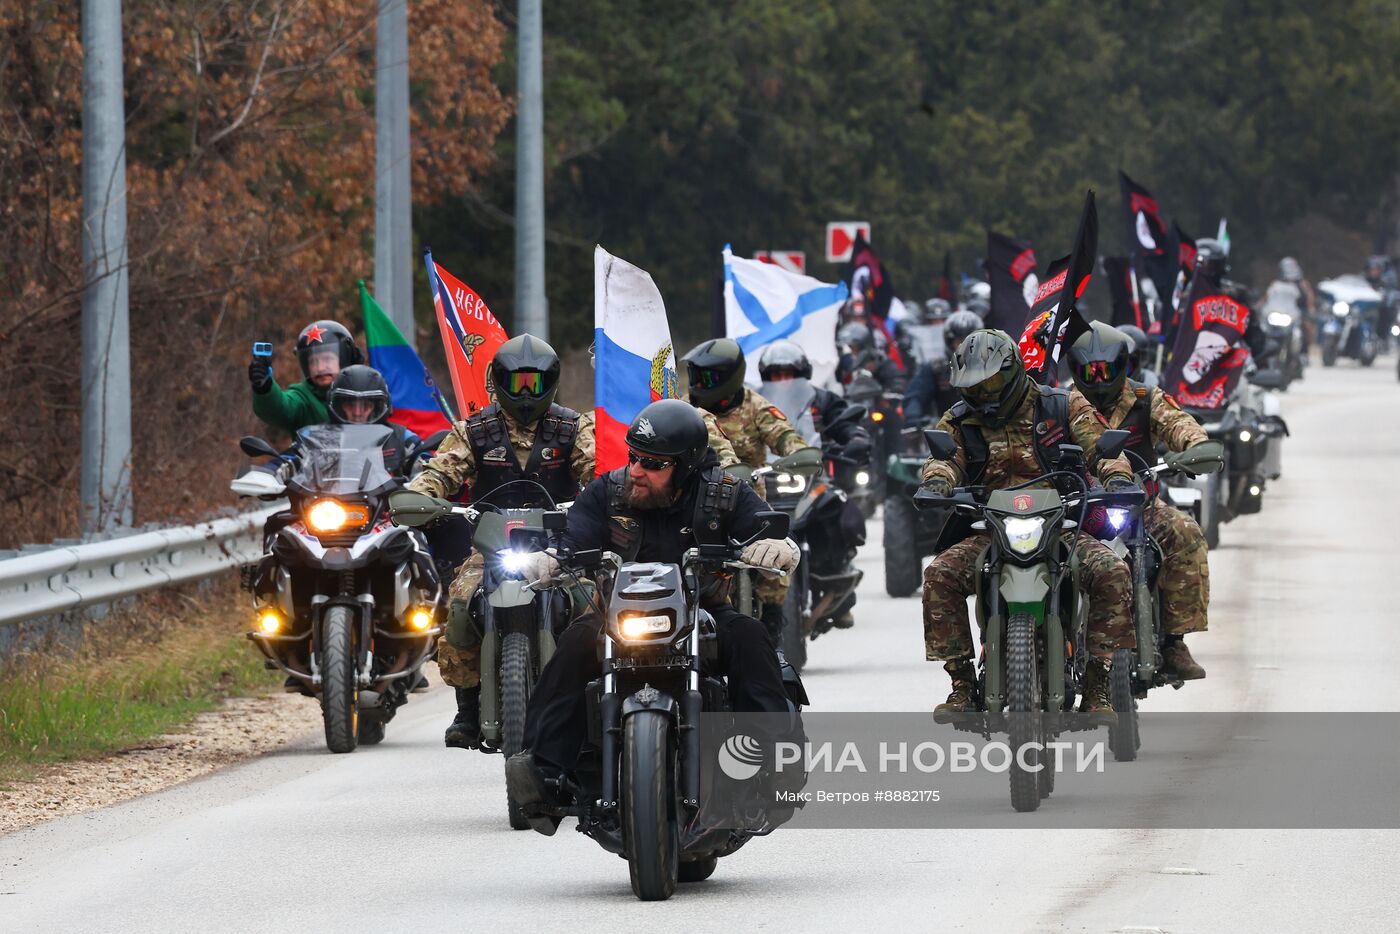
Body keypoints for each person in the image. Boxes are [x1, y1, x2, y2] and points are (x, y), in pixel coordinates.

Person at [390, 336, 739, 748]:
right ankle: (467, 705)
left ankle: (593, 696)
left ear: (551, 382)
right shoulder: (473, 431)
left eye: (535, 383)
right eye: (517, 383)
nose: (526, 392)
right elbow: (438, 474)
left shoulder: (574, 427)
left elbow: (599, 472)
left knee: (591, 608)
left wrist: (610, 499)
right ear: (498, 382)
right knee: (461, 607)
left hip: (561, 548)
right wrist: (422, 497)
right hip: (491, 549)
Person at [503, 400, 800, 833]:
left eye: (654, 463)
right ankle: (543, 771)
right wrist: (549, 556)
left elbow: (763, 527)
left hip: (702, 611)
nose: (637, 470)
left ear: (686, 467)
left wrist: (778, 546)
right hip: (615, 614)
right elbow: (573, 535)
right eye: (634, 457)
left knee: (751, 637)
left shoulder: (724, 493)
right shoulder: (608, 491)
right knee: (574, 644)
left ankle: (771, 763)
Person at [919, 329, 1137, 721]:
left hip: (1062, 525)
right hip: (989, 529)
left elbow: (1101, 444)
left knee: (1113, 572)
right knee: (938, 576)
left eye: (991, 384)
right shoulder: (960, 418)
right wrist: (938, 481)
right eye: (974, 387)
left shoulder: (1061, 405)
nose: (984, 394)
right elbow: (944, 458)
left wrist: (1117, 476)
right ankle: (962, 684)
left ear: (1014, 372)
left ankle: (1097, 683)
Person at [1068, 322, 1223, 680]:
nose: (1098, 379)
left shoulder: (1145, 397)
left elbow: (1179, 423)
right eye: (1090, 371)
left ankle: (1173, 642)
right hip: (1080, 509)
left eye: (1106, 370)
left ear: (1123, 365)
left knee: (1186, 532)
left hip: (1141, 506)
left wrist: (1196, 447)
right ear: (1075, 370)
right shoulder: (1063, 402)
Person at [683, 338, 814, 639]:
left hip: (747, 500)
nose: (700, 385)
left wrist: (797, 453)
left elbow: (784, 435)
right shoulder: (685, 409)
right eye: (697, 377)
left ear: (732, 376)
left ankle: (773, 620)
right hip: (698, 501)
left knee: (778, 546)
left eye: (709, 378)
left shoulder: (756, 406)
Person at [758, 340, 872, 630]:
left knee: (838, 510)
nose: (783, 380)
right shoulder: (755, 402)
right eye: (776, 375)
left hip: (812, 477)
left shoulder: (822, 400)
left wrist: (855, 438)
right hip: (766, 478)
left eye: (789, 374)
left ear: (802, 374)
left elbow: (845, 424)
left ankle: (841, 590)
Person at [249, 320, 363, 434]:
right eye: (313, 362)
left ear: (345, 359)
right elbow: (281, 408)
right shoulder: (303, 396)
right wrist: (265, 387)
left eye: (327, 359)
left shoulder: (363, 390)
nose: (320, 368)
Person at [904, 309, 981, 422]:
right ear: (949, 342)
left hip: (989, 428)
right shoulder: (937, 368)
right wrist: (914, 417)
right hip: (947, 428)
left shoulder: (995, 367)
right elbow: (916, 395)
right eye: (959, 341)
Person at [835, 322, 905, 392]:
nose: (850, 352)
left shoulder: (880, 362)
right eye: (847, 348)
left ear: (863, 346)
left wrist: (889, 392)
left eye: (852, 347)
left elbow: (897, 383)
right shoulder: (845, 363)